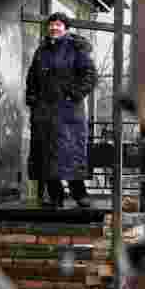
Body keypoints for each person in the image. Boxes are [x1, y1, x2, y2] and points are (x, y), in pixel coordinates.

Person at [26, 12, 99, 208]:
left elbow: (90, 75)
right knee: (46, 154)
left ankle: (79, 194)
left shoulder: (76, 48)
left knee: (70, 152)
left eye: (58, 25)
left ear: (65, 28)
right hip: (44, 111)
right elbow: (32, 76)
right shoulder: (41, 50)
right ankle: (55, 197)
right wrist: (32, 98)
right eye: (51, 25)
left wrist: (73, 94)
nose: (54, 28)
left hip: (68, 112)